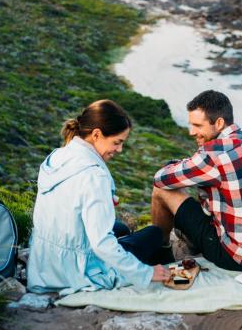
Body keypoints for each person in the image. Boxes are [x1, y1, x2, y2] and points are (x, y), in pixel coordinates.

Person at [27, 99, 170, 295]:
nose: (119, 150)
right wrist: (145, 273)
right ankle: (159, 262)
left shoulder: (57, 156)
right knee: (153, 234)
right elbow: (102, 244)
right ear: (96, 134)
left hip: (44, 263)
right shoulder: (95, 176)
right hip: (75, 272)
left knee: (121, 227)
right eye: (117, 142)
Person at [151, 90, 242, 271]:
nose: (191, 132)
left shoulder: (212, 156)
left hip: (237, 258)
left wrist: (181, 164)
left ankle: (160, 251)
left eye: (197, 125)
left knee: (162, 191)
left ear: (219, 123)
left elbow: (160, 179)